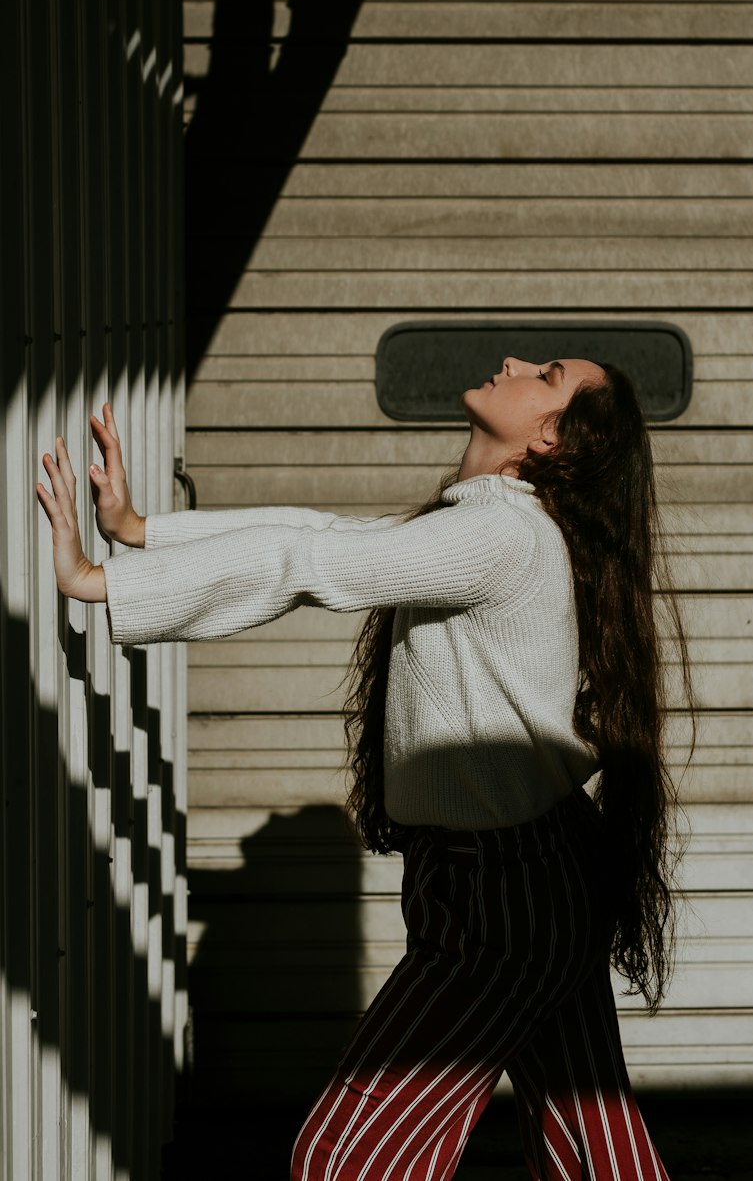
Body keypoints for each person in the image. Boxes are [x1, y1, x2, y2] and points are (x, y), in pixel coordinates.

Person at [36, 355, 693, 1180]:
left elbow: (309, 564)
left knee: (344, 1160)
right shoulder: (489, 524)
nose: (514, 361)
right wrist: (141, 532)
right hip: (531, 879)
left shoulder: (501, 534)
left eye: (547, 372)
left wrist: (104, 584)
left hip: (503, 900)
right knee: (597, 1155)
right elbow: (328, 535)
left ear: (551, 437)